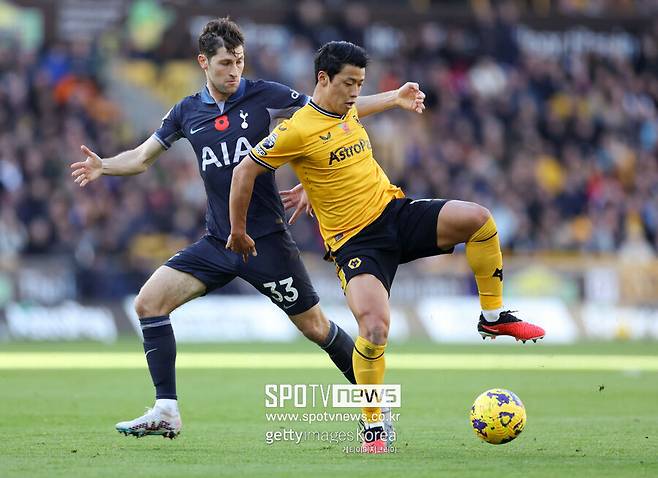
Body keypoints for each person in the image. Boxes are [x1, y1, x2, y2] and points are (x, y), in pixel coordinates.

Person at [70, 20, 426, 440]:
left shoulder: (266, 96)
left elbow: (335, 109)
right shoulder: (187, 112)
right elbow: (143, 157)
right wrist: (103, 166)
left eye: (239, 61)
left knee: (316, 328)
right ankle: (166, 410)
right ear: (203, 62)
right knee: (148, 303)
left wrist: (393, 99)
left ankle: (375, 410)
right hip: (219, 240)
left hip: (266, 241)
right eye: (225, 63)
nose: (234, 70)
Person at [227, 40, 546, 453]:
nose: (356, 92)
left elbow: (357, 113)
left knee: (479, 219)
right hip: (356, 243)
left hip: (394, 212)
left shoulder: (346, 109)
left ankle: (493, 315)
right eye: (349, 83)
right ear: (323, 80)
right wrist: (238, 230)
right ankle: (374, 425)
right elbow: (243, 172)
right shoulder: (296, 129)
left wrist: (394, 98)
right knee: (375, 328)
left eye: (361, 83)